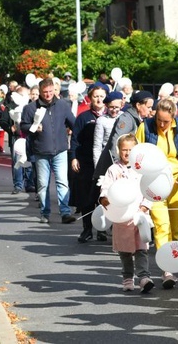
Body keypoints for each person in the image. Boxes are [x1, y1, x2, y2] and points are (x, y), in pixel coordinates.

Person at [136, 97, 178, 289]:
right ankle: (166, 269)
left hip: (176, 183)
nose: (161, 124)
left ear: (173, 118)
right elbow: (138, 153)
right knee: (162, 226)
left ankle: (172, 262)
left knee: (175, 228)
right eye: (159, 119)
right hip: (154, 185)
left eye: (166, 121)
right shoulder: (145, 127)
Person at [99, 133, 155, 293]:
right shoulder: (113, 169)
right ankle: (127, 277)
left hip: (139, 216)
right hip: (121, 217)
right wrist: (105, 199)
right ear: (118, 150)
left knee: (141, 249)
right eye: (124, 150)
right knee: (125, 251)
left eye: (131, 150)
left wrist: (145, 207)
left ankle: (144, 278)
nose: (127, 153)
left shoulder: (142, 170)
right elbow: (105, 189)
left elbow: (149, 190)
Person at [20, 77, 77, 224]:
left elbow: (73, 122)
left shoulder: (63, 105)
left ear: (54, 90)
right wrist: (34, 127)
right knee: (43, 183)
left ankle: (65, 213)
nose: (48, 95)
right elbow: (23, 127)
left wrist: (74, 130)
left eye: (50, 91)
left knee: (62, 181)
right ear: (40, 92)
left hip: (60, 150)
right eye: (45, 92)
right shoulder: (31, 108)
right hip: (41, 150)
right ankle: (45, 213)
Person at [69, 86, 111, 243]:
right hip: (86, 162)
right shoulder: (83, 117)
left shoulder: (110, 116)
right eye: (96, 96)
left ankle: (102, 229)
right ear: (90, 98)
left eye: (102, 96)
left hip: (105, 163)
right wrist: (74, 157)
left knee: (104, 196)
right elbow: (75, 140)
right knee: (87, 197)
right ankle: (87, 229)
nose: (99, 99)